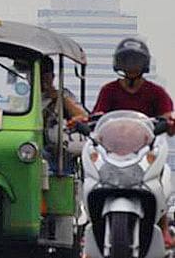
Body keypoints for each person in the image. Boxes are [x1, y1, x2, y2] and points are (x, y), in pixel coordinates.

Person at [68, 38, 175, 246]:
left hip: (144, 150)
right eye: (127, 60)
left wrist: (170, 122)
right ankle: (87, 223)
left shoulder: (156, 92)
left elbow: (168, 117)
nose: (131, 66)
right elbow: (97, 118)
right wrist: (81, 121)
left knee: (161, 178)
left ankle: (162, 228)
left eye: (135, 61)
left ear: (143, 64)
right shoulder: (109, 90)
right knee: (91, 176)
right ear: (119, 64)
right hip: (113, 150)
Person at [40, 56, 86, 174]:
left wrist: (59, 98)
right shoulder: (25, 97)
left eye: (45, 75)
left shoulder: (63, 95)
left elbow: (83, 116)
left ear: (52, 77)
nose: (41, 80)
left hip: (55, 150)